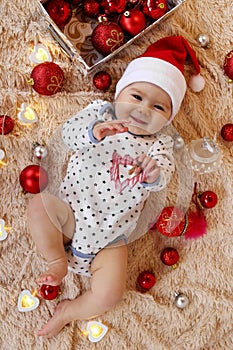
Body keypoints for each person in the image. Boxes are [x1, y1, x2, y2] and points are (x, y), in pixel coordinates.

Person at [27, 35, 204, 338]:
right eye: (136, 97)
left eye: (159, 107)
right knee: (38, 205)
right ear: (120, 93)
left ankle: (70, 311)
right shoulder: (100, 113)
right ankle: (57, 260)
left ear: (167, 118)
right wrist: (93, 132)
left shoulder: (159, 144)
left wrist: (153, 173)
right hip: (71, 212)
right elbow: (69, 135)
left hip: (111, 238)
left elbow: (165, 174)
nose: (144, 110)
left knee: (110, 294)